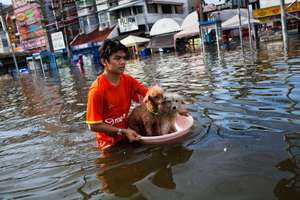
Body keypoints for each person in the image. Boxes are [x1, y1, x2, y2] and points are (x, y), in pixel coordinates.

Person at [86, 39, 148, 150]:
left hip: (128, 135)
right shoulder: (96, 90)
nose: (123, 62)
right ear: (104, 62)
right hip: (109, 145)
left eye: (124, 58)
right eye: (117, 58)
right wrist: (121, 131)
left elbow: (150, 94)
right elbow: (93, 125)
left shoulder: (128, 80)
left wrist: (172, 107)